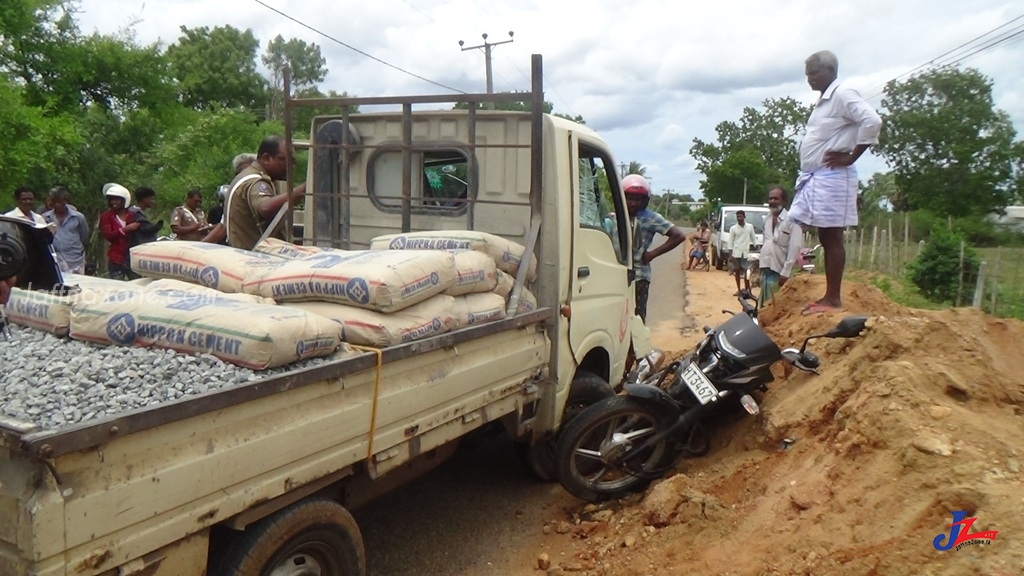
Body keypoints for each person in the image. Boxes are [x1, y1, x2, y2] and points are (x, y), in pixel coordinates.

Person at [790, 50, 882, 314]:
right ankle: (830, 295)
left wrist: (851, 157)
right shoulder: (824, 102)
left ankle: (833, 299)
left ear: (830, 71)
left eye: (814, 73)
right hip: (818, 177)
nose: (809, 79)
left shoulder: (843, 94)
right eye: (807, 74)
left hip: (833, 177)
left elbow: (872, 121)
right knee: (824, 234)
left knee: (832, 237)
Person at [622, 174, 685, 323]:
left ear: (644, 201)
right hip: (616, 274)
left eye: (637, 200)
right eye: (629, 198)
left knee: (637, 317)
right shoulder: (616, 216)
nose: (633, 203)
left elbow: (678, 236)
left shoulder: (650, 217)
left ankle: (637, 346)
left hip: (639, 275)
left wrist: (652, 254)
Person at [225, 136, 306, 250]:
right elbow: (265, 208)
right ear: (267, 158)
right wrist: (303, 189)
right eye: (287, 161)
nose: (291, 167)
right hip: (253, 258)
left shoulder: (246, 176)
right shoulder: (255, 181)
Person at [759, 186, 803, 308]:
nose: (772, 201)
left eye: (776, 199)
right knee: (764, 306)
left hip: (780, 272)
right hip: (766, 269)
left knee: (775, 307)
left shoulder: (792, 221)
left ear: (783, 201)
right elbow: (766, 242)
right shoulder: (766, 219)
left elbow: (795, 247)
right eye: (770, 199)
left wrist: (786, 272)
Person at [203, 153, 258, 245]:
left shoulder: (262, 189)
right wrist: (198, 247)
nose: (246, 176)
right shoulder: (235, 198)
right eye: (241, 173)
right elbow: (223, 226)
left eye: (249, 172)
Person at [42, 187, 90, 274]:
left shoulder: (78, 217)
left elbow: (84, 237)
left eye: (60, 202)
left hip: (75, 260)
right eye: (55, 202)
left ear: (65, 201)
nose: (57, 205)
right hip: (55, 259)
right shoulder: (45, 218)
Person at [99, 184, 140, 280]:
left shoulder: (133, 215)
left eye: (117, 200)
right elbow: (108, 235)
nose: (114, 202)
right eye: (112, 200)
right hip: (116, 258)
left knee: (137, 285)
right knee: (116, 286)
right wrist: (126, 229)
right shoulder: (106, 216)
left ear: (124, 200)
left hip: (132, 257)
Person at [727, 210, 756, 296]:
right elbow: (730, 242)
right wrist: (730, 255)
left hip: (746, 253)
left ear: (744, 217)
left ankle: (747, 290)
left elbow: (753, 238)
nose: (739, 218)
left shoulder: (750, 227)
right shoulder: (733, 228)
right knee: (737, 272)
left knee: (747, 272)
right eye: (738, 216)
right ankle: (739, 290)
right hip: (736, 253)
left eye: (741, 216)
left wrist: (757, 246)